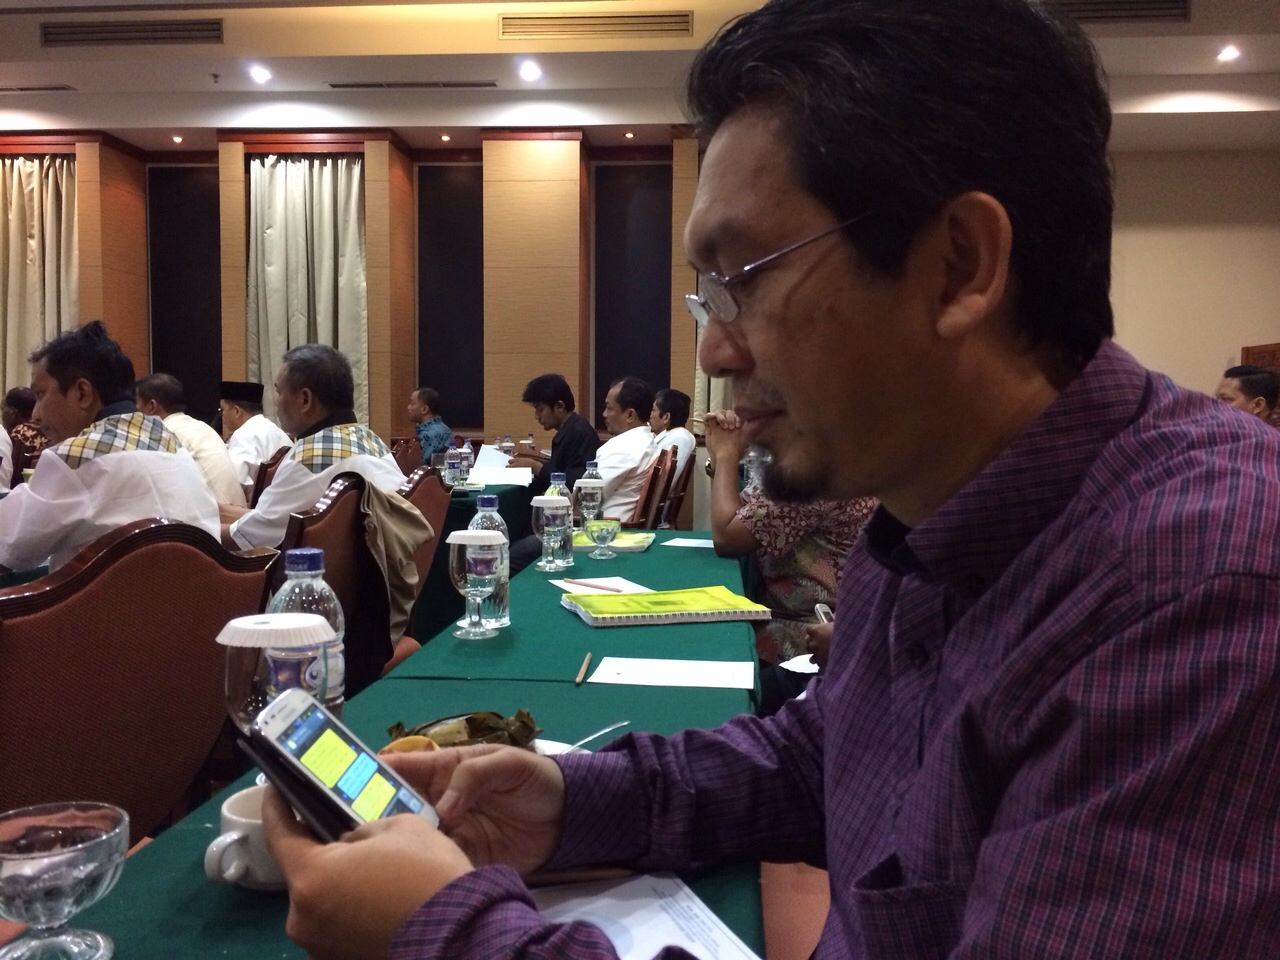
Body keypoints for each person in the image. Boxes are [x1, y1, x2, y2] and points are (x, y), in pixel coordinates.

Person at [262, 1, 1280, 957]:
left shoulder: (1205, 590)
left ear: (959, 266)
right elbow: (817, 758)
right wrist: (569, 801)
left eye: (744, 276)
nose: (714, 351)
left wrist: (448, 933)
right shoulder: (918, 512)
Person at [0, 322, 218, 571]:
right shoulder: (173, 444)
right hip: (201, 594)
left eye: (40, 394)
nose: (35, 415)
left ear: (82, 393)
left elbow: (8, 545)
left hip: (117, 598)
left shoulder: (77, 458)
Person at [704, 407, 874, 663]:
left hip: (814, 632)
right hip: (798, 614)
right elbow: (741, 513)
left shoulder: (815, 465)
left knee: (708, 645)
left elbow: (728, 537)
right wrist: (720, 460)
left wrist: (726, 454)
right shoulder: (826, 449)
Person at [223, 344, 407, 549]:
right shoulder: (371, 439)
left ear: (305, 399)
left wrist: (199, 531)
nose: (275, 402)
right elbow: (268, 520)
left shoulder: (309, 459)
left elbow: (249, 537)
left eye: (279, 391)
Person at [135, 373, 247, 506]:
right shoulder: (201, 426)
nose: (135, 410)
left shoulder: (164, 433)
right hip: (236, 512)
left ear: (152, 406)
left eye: (136, 403)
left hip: (214, 515)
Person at [510, 373, 600, 496]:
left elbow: (573, 485)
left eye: (540, 409)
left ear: (559, 407)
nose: (536, 416)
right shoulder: (570, 430)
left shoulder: (579, 433)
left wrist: (537, 467)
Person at [595, 376, 657, 520]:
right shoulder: (648, 440)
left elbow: (587, 497)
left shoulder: (624, 448)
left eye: (609, 408)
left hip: (604, 527)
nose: (604, 414)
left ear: (630, 415)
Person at [219, 379, 292, 496]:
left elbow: (234, 483)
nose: (222, 415)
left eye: (222, 410)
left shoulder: (244, 435)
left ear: (237, 411)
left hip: (258, 503)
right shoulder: (277, 432)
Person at [647, 388, 696, 478]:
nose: (650, 415)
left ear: (666, 417)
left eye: (653, 410)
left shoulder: (680, 438)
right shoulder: (671, 436)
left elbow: (658, 479)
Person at [2, 386, 47, 463]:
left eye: (2, 409)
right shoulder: (47, 429)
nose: (1, 415)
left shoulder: (19, 433)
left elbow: (11, 468)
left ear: (12, 411)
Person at [407, 387, 452, 463]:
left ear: (424, 409)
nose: (408, 407)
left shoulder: (431, 434)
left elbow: (417, 465)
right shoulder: (442, 428)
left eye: (412, 404)